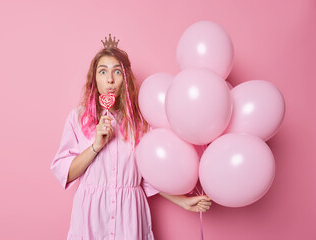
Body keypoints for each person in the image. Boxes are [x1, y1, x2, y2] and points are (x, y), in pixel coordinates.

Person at [50, 34, 212, 240]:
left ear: (125, 79)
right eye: (103, 72)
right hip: (91, 216)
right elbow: (67, 172)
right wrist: (96, 146)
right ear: (94, 78)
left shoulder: (141, 121)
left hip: (130, 215)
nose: (110, 79)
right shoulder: (78, 118)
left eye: (117, 72)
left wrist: (182, 201)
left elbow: (148, 175)